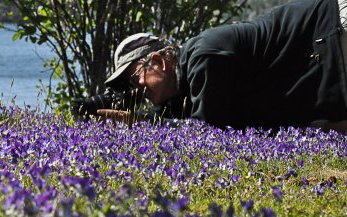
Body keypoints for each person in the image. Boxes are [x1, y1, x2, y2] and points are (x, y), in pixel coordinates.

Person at [98, 0, 347, 132]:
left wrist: (148, 125)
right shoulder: (186, 87)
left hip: (332, 30)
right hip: (327, 57)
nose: (136, 90)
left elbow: (209, 130)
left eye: (134, 80)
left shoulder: (203, 56)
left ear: (157, 62)